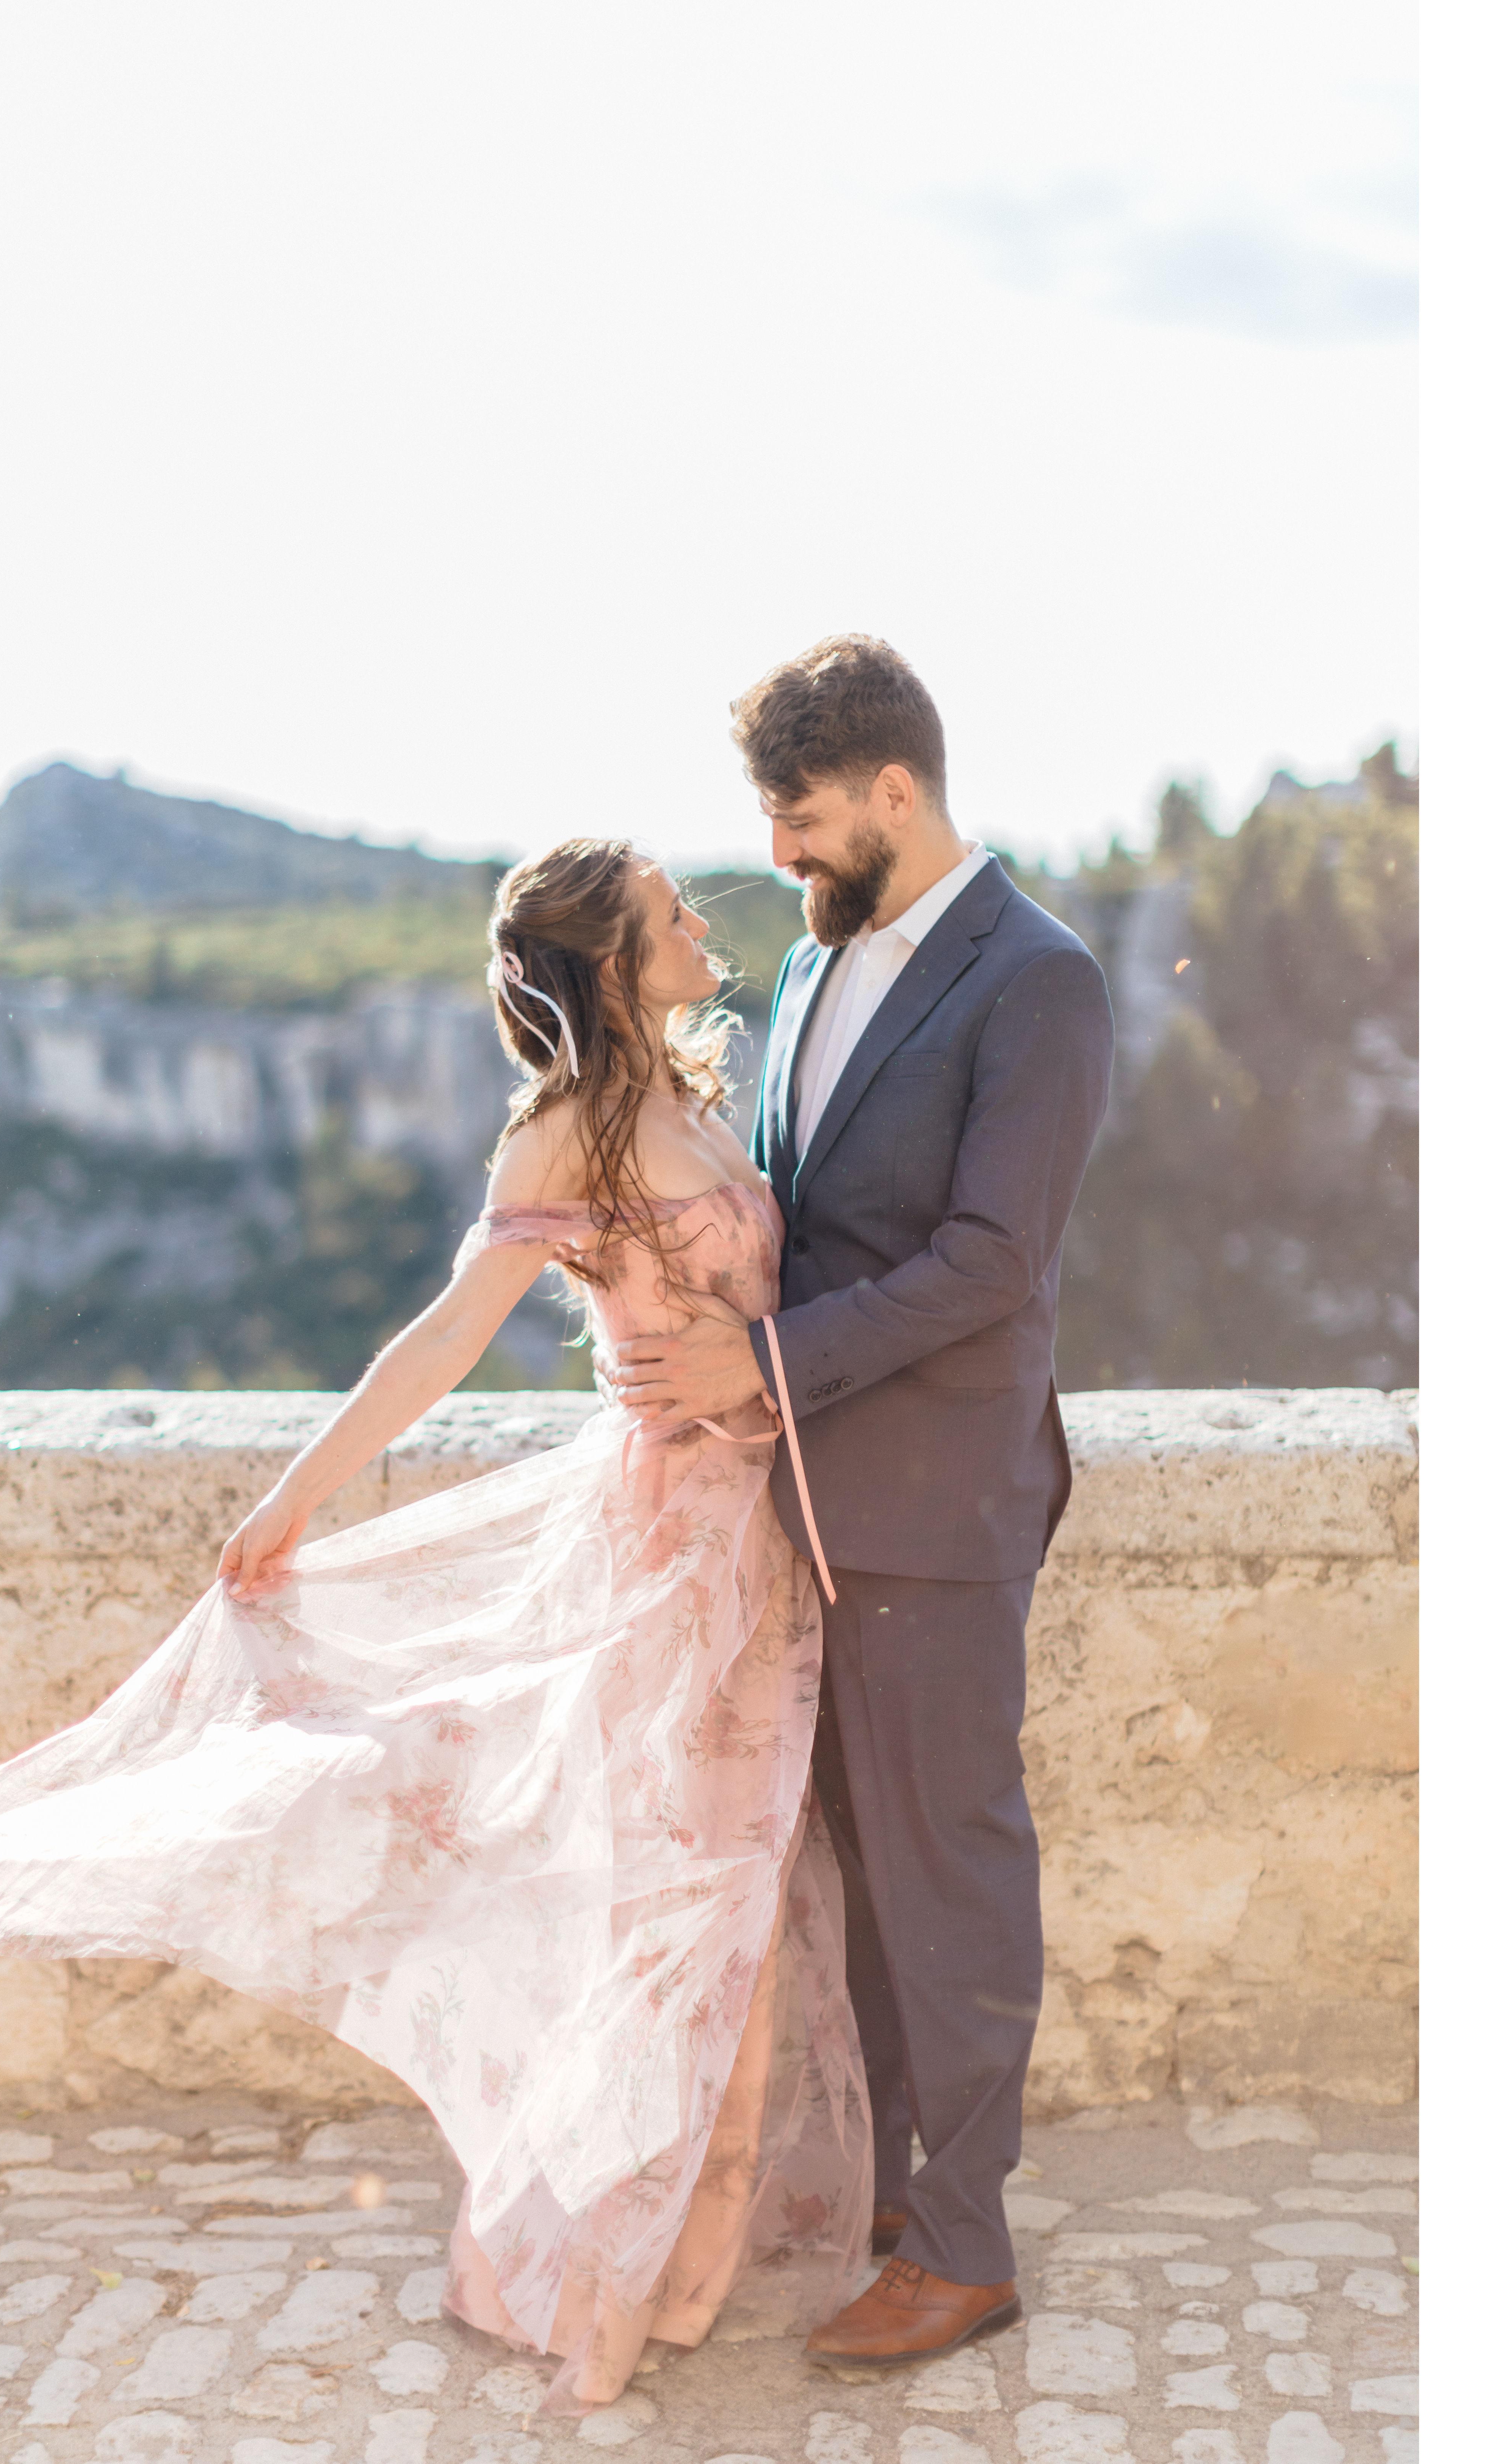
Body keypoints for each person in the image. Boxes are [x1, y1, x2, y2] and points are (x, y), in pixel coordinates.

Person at [0, 838, 872, 2415]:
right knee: (672, 1914)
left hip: (764, 1543)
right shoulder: (564, 1137)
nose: (702, 924)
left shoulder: (706, 1097)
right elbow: (444, 1337)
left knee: (743, 1908)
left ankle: (685, 2264)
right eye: (670, 915)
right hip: (663, 1556)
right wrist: (300, 1496)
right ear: (610, 961)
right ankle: (602, 2280)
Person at [608, 635, 1114, 2368]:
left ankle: (968, 2248)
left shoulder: (1038, 982)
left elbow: (992, 1264)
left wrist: (766, 1364)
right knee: (865, 1883)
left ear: (897, 789)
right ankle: (899, 2195)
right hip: (801, 1508)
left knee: (952, 1871)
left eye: (807, 820)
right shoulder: (822, 972)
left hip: (938, 1507)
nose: (785, 859)